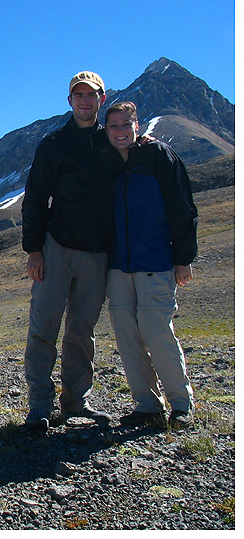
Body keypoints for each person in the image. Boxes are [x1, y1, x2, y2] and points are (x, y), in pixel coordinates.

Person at [20, 72, 116, 431]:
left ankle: (76, 403)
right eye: (78, 95)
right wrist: (34, 251)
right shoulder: (54, 144)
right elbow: (35, 199)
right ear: (70, 101)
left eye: (91, 95)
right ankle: (39, 407)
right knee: (43, 327)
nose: (85, 101)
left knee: (82, 330)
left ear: (101, 99)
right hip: (56, 248)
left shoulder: (112, 142)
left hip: (96, 253)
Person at [103, 101, 198, 430]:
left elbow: (181, 206)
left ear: (137, 126)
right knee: (127, 336)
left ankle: (180, 404)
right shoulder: (106, 161)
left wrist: (183, 258)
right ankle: (147, 405)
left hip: (155, 261)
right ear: (106, 130)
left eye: (125, 124)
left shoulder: (159, 156)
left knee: (157, 332)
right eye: (113, 125)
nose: (119, 130)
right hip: (118, 265)